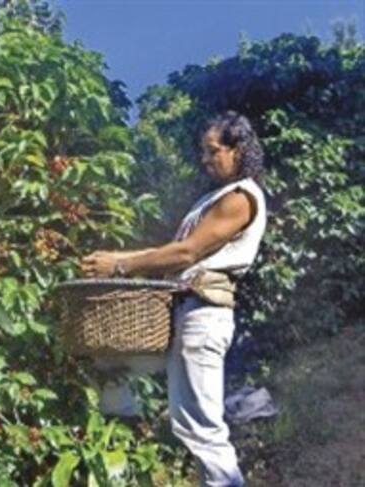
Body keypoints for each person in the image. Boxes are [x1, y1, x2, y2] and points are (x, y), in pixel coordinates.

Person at [80, 111, 267, 487]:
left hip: (203, 314)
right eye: (203, 151)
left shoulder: (241, 197)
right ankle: (126, 436)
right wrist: (120, 259)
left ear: (238, 149)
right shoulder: (212, 198)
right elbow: (173, 250)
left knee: (200, 426)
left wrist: (120, 264)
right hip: (179, 312)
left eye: (213, 150)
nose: (205, 159)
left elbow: (186, 253)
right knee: (111, 365)